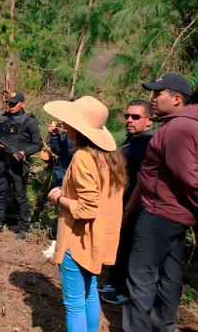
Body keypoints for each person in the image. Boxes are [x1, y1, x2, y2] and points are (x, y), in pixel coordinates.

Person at [123, 73, 198, 331]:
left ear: (177, 99)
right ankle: (163, 325)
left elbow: (187, 175)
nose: (152, 99)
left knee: (141, 279)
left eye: (158, 94)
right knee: (169, 275)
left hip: (159, 215)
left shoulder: (177, 129)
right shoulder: (188, 125)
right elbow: (197, 173)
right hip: (175, 215)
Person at [43, 96, 126, 332]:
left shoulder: (82, 157)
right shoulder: (110, 157)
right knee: (89, 294)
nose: (64, 124)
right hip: (97, 239)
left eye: (68, 121)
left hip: (78, 240)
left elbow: (87, 208)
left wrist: (59, 197)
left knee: (74, 304)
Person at [99, 100, 154, 305]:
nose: (130, 120)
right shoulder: (132, 141)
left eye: (136, 117)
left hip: (134, 206)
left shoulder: (148, 144)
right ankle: (114, 282)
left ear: (149, 121)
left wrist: (129, 211)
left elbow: (142, 181)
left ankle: (124, 291)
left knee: (130, 248)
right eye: (127, 116)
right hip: (120, 203)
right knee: (119, 245)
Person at [0, 91, 43, 238]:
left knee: (20, 195)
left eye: (14, 103)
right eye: (9, 103)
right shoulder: (2, 119)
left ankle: (23, 227)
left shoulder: (30, 121)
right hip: (2, 162)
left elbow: (38, 144)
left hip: (18, 165)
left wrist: (25, 152)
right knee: (1, 193)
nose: (11, 106)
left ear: (22, 104)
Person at [48, 121, 75, 187]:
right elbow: (57, 150)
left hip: (74, 175)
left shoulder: (84, 136)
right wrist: (55, 135)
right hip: (61, 173)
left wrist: (70, 133)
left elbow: (72, 153)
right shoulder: (65, 134)